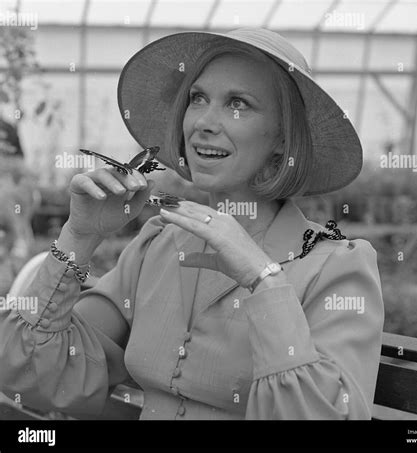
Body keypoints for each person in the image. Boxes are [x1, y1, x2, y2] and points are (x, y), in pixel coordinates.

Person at [0, 27, 384, 420]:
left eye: (238, 103)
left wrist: (264, 279)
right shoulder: (158, 246)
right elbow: (36, 375)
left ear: (284, 138)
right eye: (198, 98)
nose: (203, 121)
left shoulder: (335, 267)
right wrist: (79, 235)